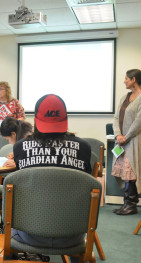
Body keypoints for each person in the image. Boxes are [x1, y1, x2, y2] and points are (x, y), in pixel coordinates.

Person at [13, 94, 92, 247]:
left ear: (36, 120)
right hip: (73, 235)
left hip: (28, 234)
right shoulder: (84, 148)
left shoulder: (19, 147)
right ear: (66, 120)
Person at [111, 69, 141, 216]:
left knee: (132, 172)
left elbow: (139, 122)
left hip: (134, 141)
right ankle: (126, 204)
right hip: (122, 142)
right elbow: (116, 118)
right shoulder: (124, 97)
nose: (124, 81)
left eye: (126, 79)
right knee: (124, 172)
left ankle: (131, 205)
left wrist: (126, 137)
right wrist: (118, 135)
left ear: (133, 79)